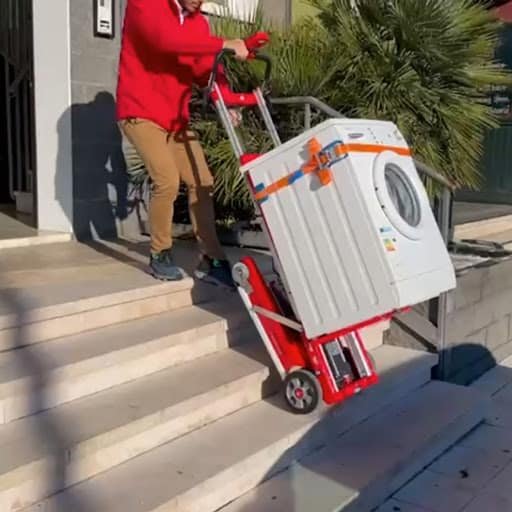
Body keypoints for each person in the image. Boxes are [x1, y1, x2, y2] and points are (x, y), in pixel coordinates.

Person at [117, 0, 249, 287]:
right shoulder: (144, 5)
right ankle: (160, 254)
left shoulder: (197, 22)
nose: (199, 1)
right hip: (139, 111)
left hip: (174, 118)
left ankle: (211, 260)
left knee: (202, 180)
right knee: (167, 179)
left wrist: (227, 101)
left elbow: (205, 69)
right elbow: (168, 42)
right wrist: (225, 43)